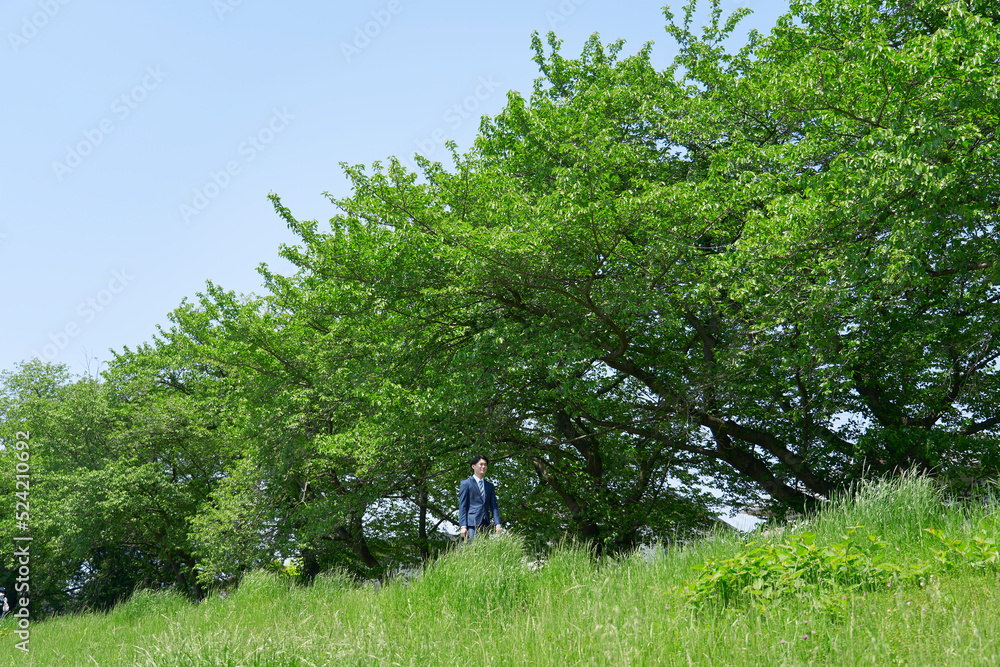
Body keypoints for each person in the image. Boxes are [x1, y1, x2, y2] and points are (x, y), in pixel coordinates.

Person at [458, 455, 502, 540]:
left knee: (484, 550)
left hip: (485, 523)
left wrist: (498, 524)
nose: (483, 467)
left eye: (485, 465)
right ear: (473, 466)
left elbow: (494, 506)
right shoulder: (466, 484)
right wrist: (463, 526)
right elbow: (462, 505)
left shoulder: (489, 486)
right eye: (481, 464)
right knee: (473, 550)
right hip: (471, 524)